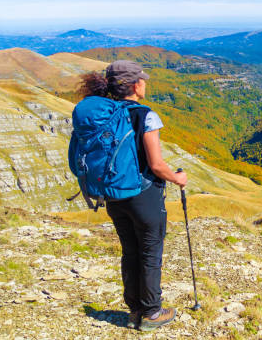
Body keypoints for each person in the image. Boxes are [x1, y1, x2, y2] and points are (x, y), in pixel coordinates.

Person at [77, 60, 187, 331]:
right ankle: (152, 313)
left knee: (130, 251)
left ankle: (134, 310)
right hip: (143, 197)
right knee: (150, 252)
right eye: (143, 80)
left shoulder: (107, 114)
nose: (145, 84)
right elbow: (157, 165)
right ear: (135, 85)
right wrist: (178, 178)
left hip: (113, 196)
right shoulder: (144, 115)